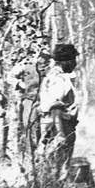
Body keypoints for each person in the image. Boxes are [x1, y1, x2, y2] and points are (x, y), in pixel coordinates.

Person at [38, 43, 79, 174]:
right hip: (59, 125)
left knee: (53, 165)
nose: (75, 64)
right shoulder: (59, 79)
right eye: (73, 60)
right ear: (66, 61)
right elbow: (56, 108)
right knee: (59, 167)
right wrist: (61, 133)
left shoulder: (51, 76)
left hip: (53, 124)